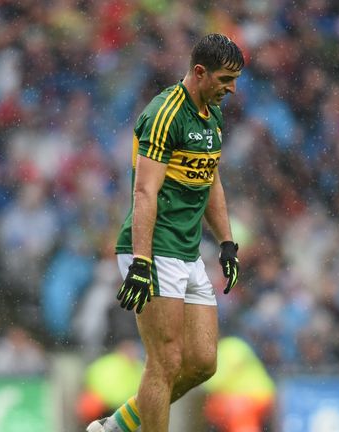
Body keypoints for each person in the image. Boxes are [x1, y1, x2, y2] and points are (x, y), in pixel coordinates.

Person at [87, 33, 244, 432]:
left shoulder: (212, 113)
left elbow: (210, 179)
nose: (232, 88)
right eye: (225, 79)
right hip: (154, 249)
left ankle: (115, 427)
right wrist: (140, 261)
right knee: (165, 363)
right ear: (199, 72)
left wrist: (226, 241)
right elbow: (144, 190)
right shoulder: (164, 114)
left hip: (188, 252)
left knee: (204, 363)